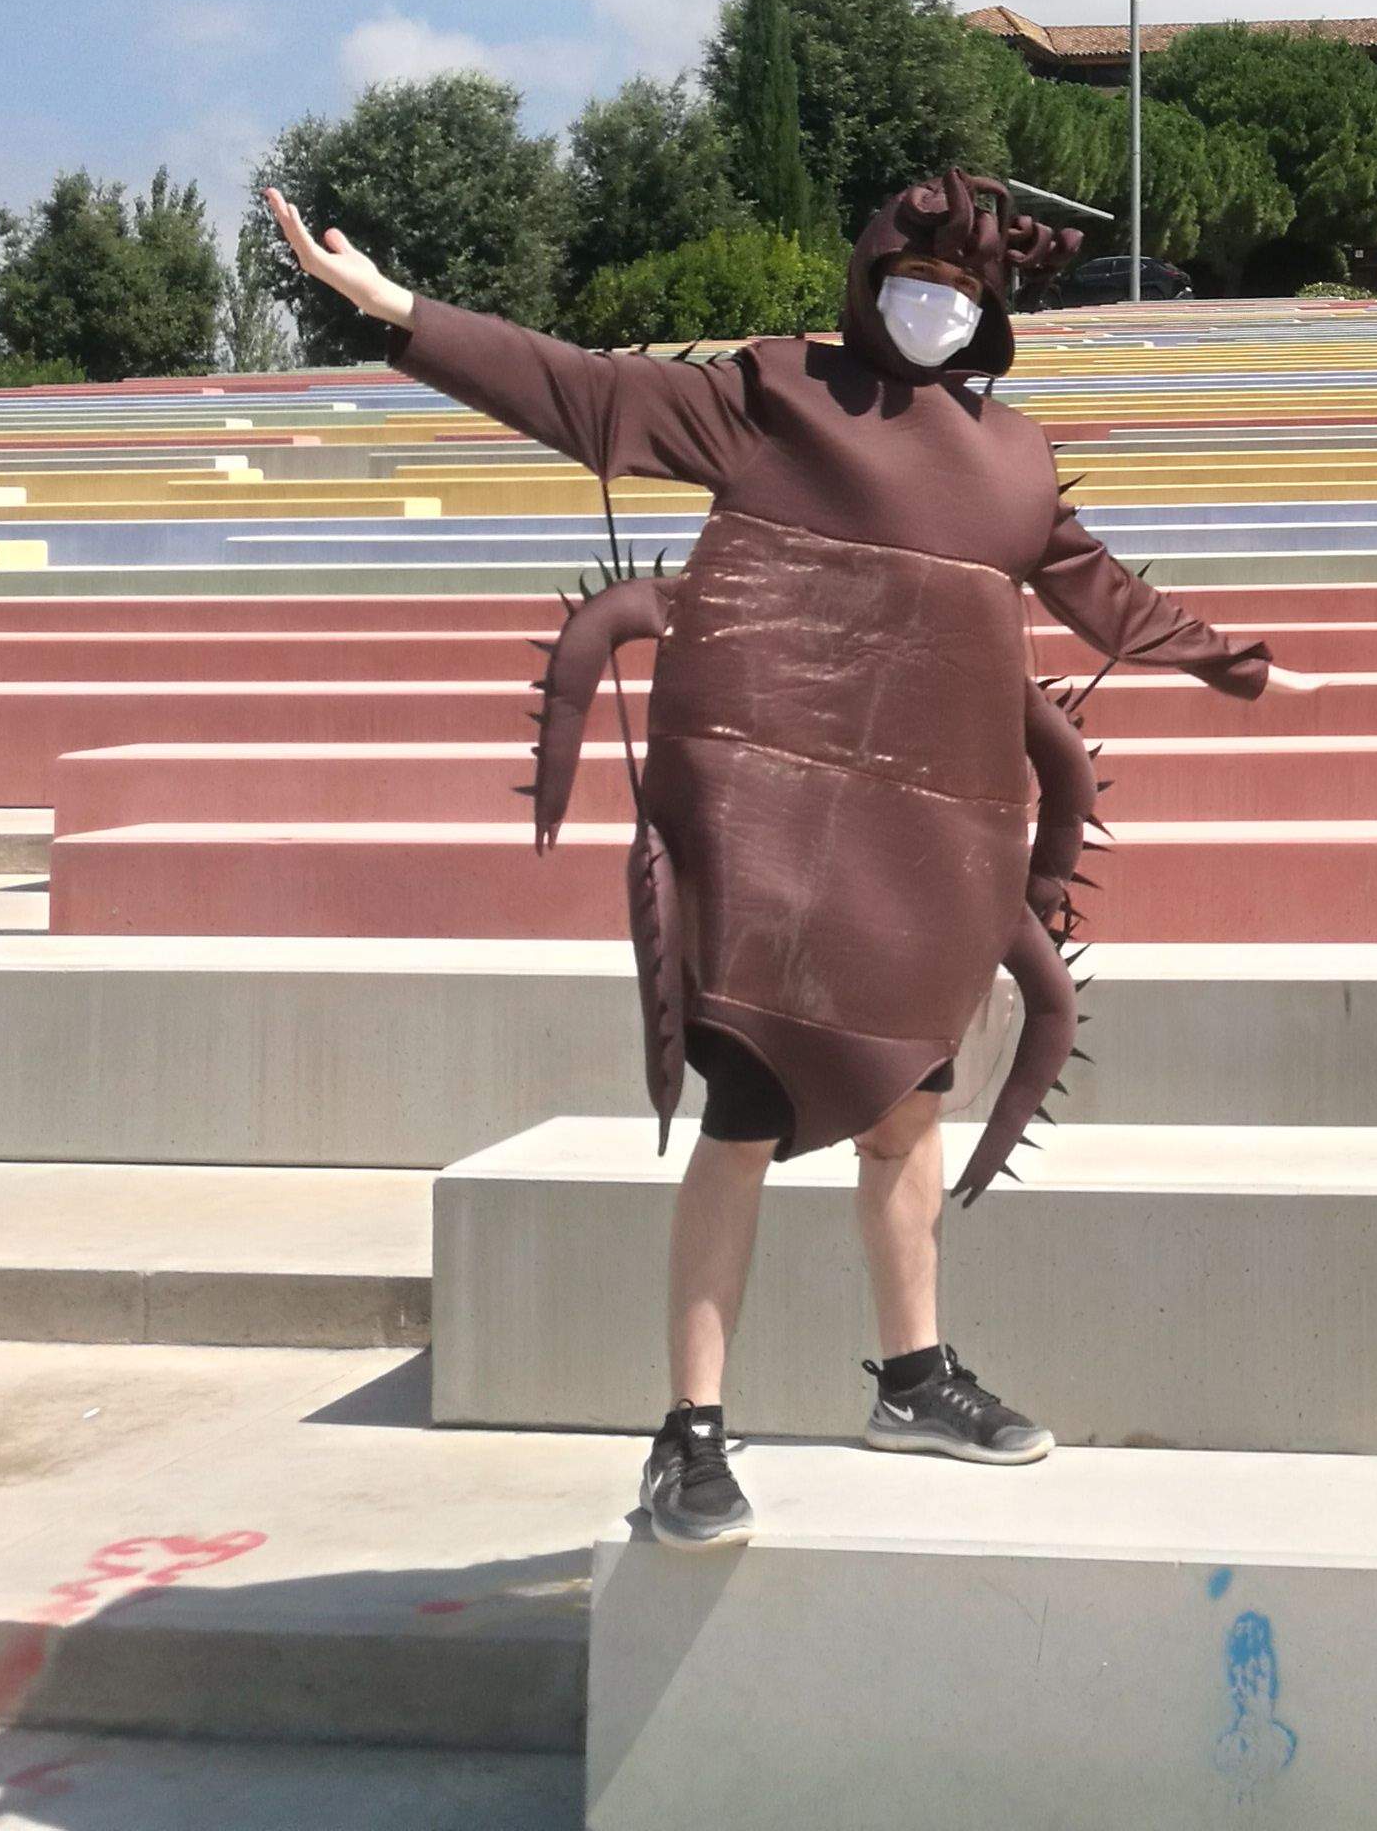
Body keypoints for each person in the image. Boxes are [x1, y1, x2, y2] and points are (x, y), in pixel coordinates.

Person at [265, 171, 1320, 1551]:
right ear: (872, 274)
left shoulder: (1012, 459)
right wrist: (394, 309)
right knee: (748, 1121)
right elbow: (579, 392)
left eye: (963, 289)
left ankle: (915, 1374)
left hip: (926, 840)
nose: (937, 304)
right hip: (776, 832)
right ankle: (691, 1432)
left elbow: (1099, 590)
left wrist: (1237, 666)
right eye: (916, 278)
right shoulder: (774, 399)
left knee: (905, 1112)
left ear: (993, 309)